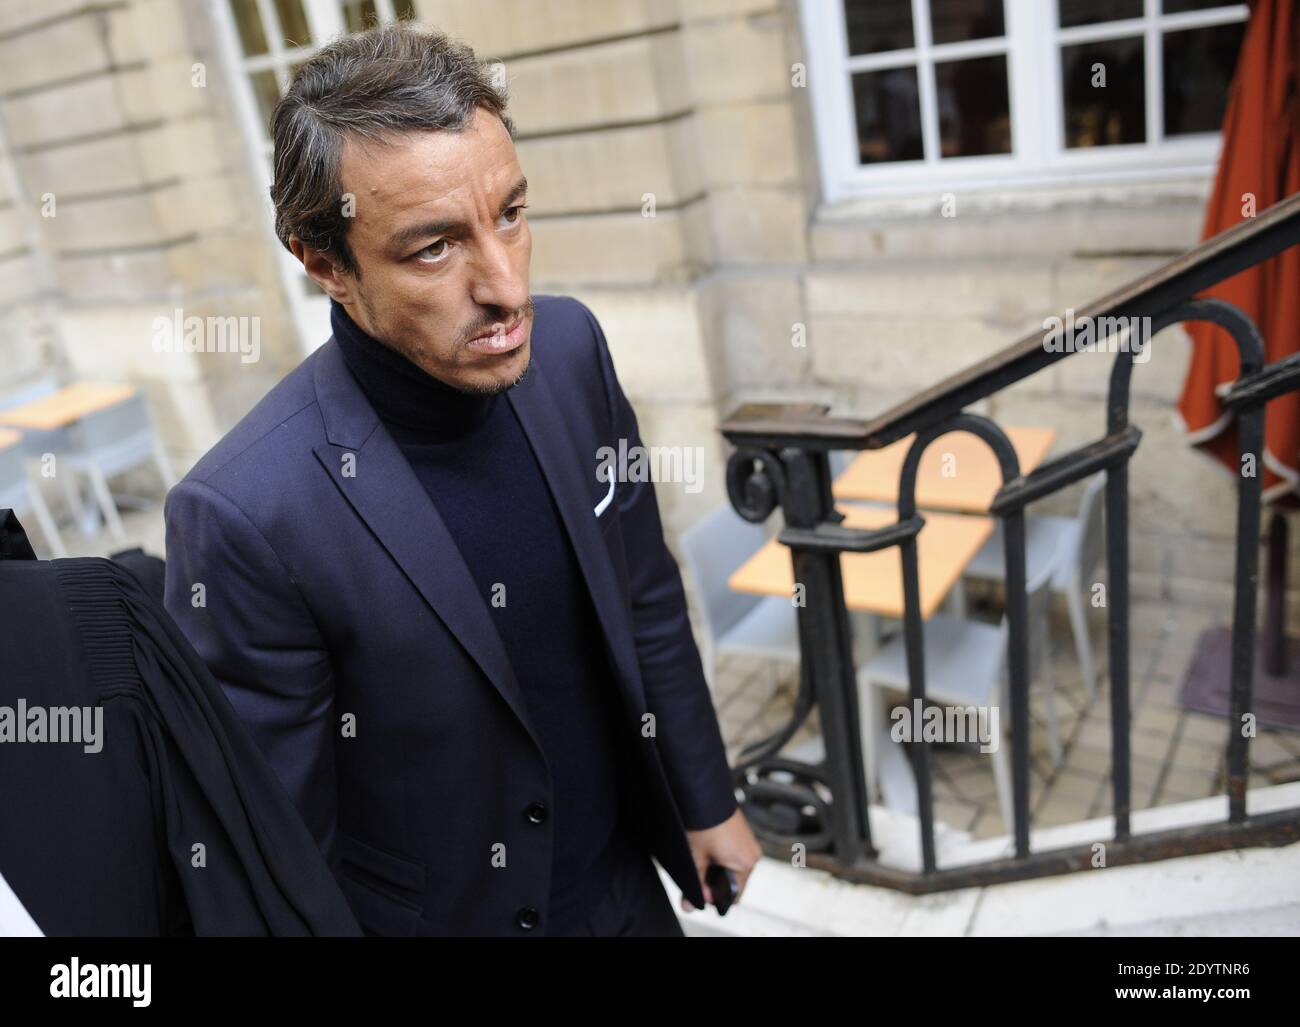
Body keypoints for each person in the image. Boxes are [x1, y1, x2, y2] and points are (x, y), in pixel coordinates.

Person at [163, 22, 761, 937]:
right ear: (325, 263)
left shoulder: (570, 352)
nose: (506, 288)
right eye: (434, 248)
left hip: (627, 892)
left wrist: (704, 796)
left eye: (511, 215)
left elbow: (644, 593)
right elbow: (283, 845)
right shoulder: (245, 513)